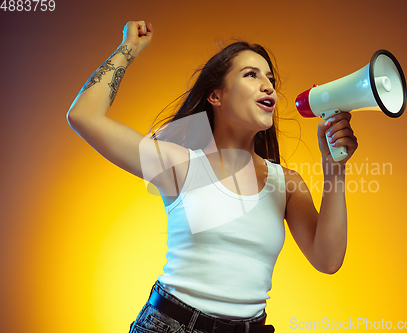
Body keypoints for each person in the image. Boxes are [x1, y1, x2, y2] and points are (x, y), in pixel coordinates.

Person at [67, 21, 358, 333]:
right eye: (251, 75)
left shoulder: (286, 184)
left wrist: (334, 169)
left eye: (271, 79)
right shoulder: (181, 165)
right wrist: (129, 49)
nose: (268, 86)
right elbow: (83, 115)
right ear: (215, 97)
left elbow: (327, 260)